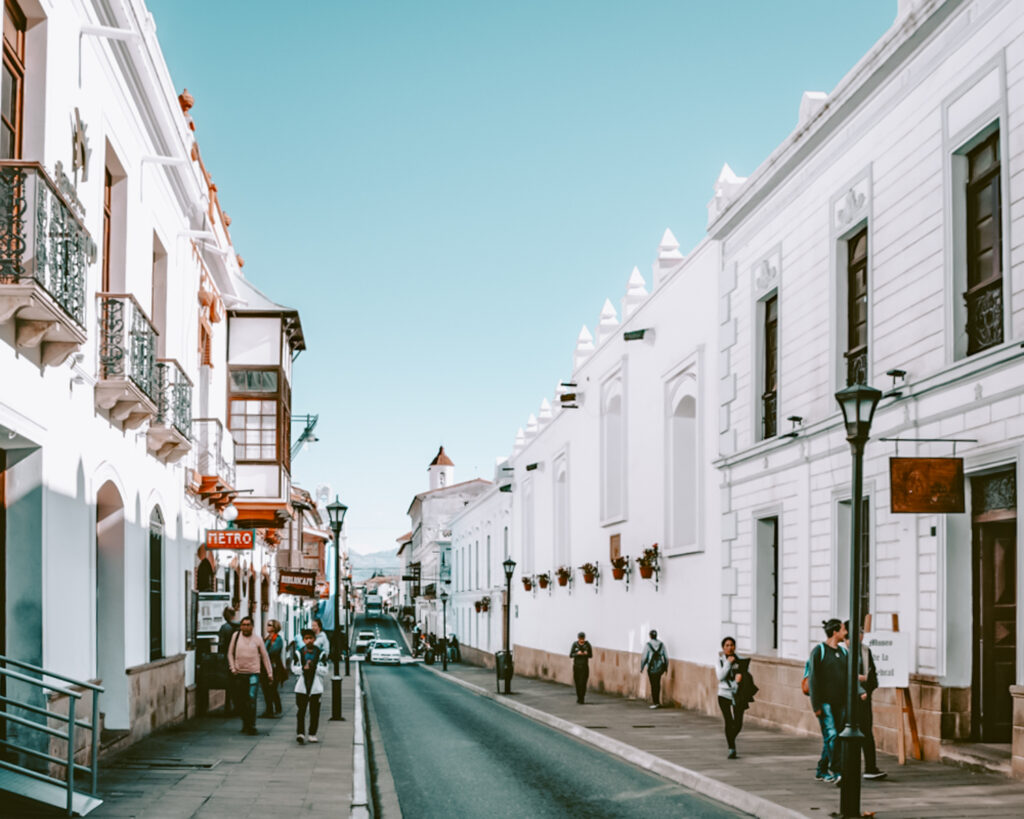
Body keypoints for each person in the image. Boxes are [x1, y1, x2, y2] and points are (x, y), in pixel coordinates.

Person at [807, 618, 849, 784]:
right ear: (835, 632)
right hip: (825, 703)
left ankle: (821, 770)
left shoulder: (844, 652)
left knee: (833, 737)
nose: (846, 632)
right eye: (844, 629)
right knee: (832, 735)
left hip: (841, 703)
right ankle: (837, 771)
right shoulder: (819, 651)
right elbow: (813, 680)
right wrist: (816, 705)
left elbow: (848, 678)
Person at [844, 620, 887, 780]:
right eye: (860, 631)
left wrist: (867, 687)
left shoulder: (865, 651)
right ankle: (840, 768)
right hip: (846, 700)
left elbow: (873, 675)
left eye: (862, 631)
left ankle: (870, 767)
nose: (862, 634)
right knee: (844, 733)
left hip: (863, 699)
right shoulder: (841, 651)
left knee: (866, 733)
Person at [227, 616, 273, 736]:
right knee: (240, 701)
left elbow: (265, 656)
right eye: (243, 624)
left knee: (251, 699)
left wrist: (269, 673)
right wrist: (233, 667)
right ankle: (245, 722)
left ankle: (251, 725)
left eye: (248, 625)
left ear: (252, 626)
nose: (245, 627)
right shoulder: (236, 637)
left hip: (253, 673)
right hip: (239, 673)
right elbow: (230, 653)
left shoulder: (257, 639)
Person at [292, 628, 328, 744]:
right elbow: (294, 668)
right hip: (301, 687)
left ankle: (312, 733)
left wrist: (315, 667)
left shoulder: (320, 653)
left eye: (311, 638)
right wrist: (303, 668)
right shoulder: (299, 653)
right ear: (303, 640)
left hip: (316, 687)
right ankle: (300, 733)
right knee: (301, 711)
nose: (309, 641)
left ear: (314, 639)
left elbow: (325, 670)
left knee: (314, 711)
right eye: (306, 638)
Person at [716, 636, 747, 758]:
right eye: (727, 645)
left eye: (732, 645)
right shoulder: (720, 661)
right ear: (723, 648)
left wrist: (740, 680)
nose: (730, 647)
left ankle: (730, 738)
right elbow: (720, 676)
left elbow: (746, 674)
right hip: (723, 694)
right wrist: (728, 663)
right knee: (729, 721)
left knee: (738, 723)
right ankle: (731, 747)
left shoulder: (741, 660)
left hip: (738, 694)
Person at [260, 620, 286, 718]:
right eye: (267, 624)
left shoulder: (277, 639)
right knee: (267, 689)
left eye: (270, 625)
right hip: (266, 666)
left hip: (274, 667)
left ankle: (275, 709)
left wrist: (266, 643)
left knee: (272, 689)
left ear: (275, 627)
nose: (267, 626)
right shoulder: (268, 638)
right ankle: (270, 709)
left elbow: (269, 652)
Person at [216, 607, 239, 716]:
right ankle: (238, 706)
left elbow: (221, 644)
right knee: (237, 684)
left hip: (228, 658)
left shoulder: (224, 628)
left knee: (229, 684)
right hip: (239, 658)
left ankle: (228, 706)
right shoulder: (239, 627)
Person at [640, 629, 668, 709]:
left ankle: (655, 702)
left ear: (650, 636)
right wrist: (666, 667)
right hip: (659, 668)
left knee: (653, 685)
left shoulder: (648, 645)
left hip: (651, 669)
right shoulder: (662, 645)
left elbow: (644, 657)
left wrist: (642, 667)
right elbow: (666, 657)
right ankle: (658, 702)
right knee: (658, 684)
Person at [570, 631, 593, 704]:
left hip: (584, 666)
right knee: (577, 682)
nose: (582, 640)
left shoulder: (587, 645)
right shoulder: (575, 644)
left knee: (583, 682)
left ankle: (582, 697)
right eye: (580, 639)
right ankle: (579, 697)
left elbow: (591, 655)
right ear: (578, 639)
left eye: (583, 639)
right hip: (577, 666)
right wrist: (577, 654)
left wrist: (586, 654)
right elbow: (571, 655)